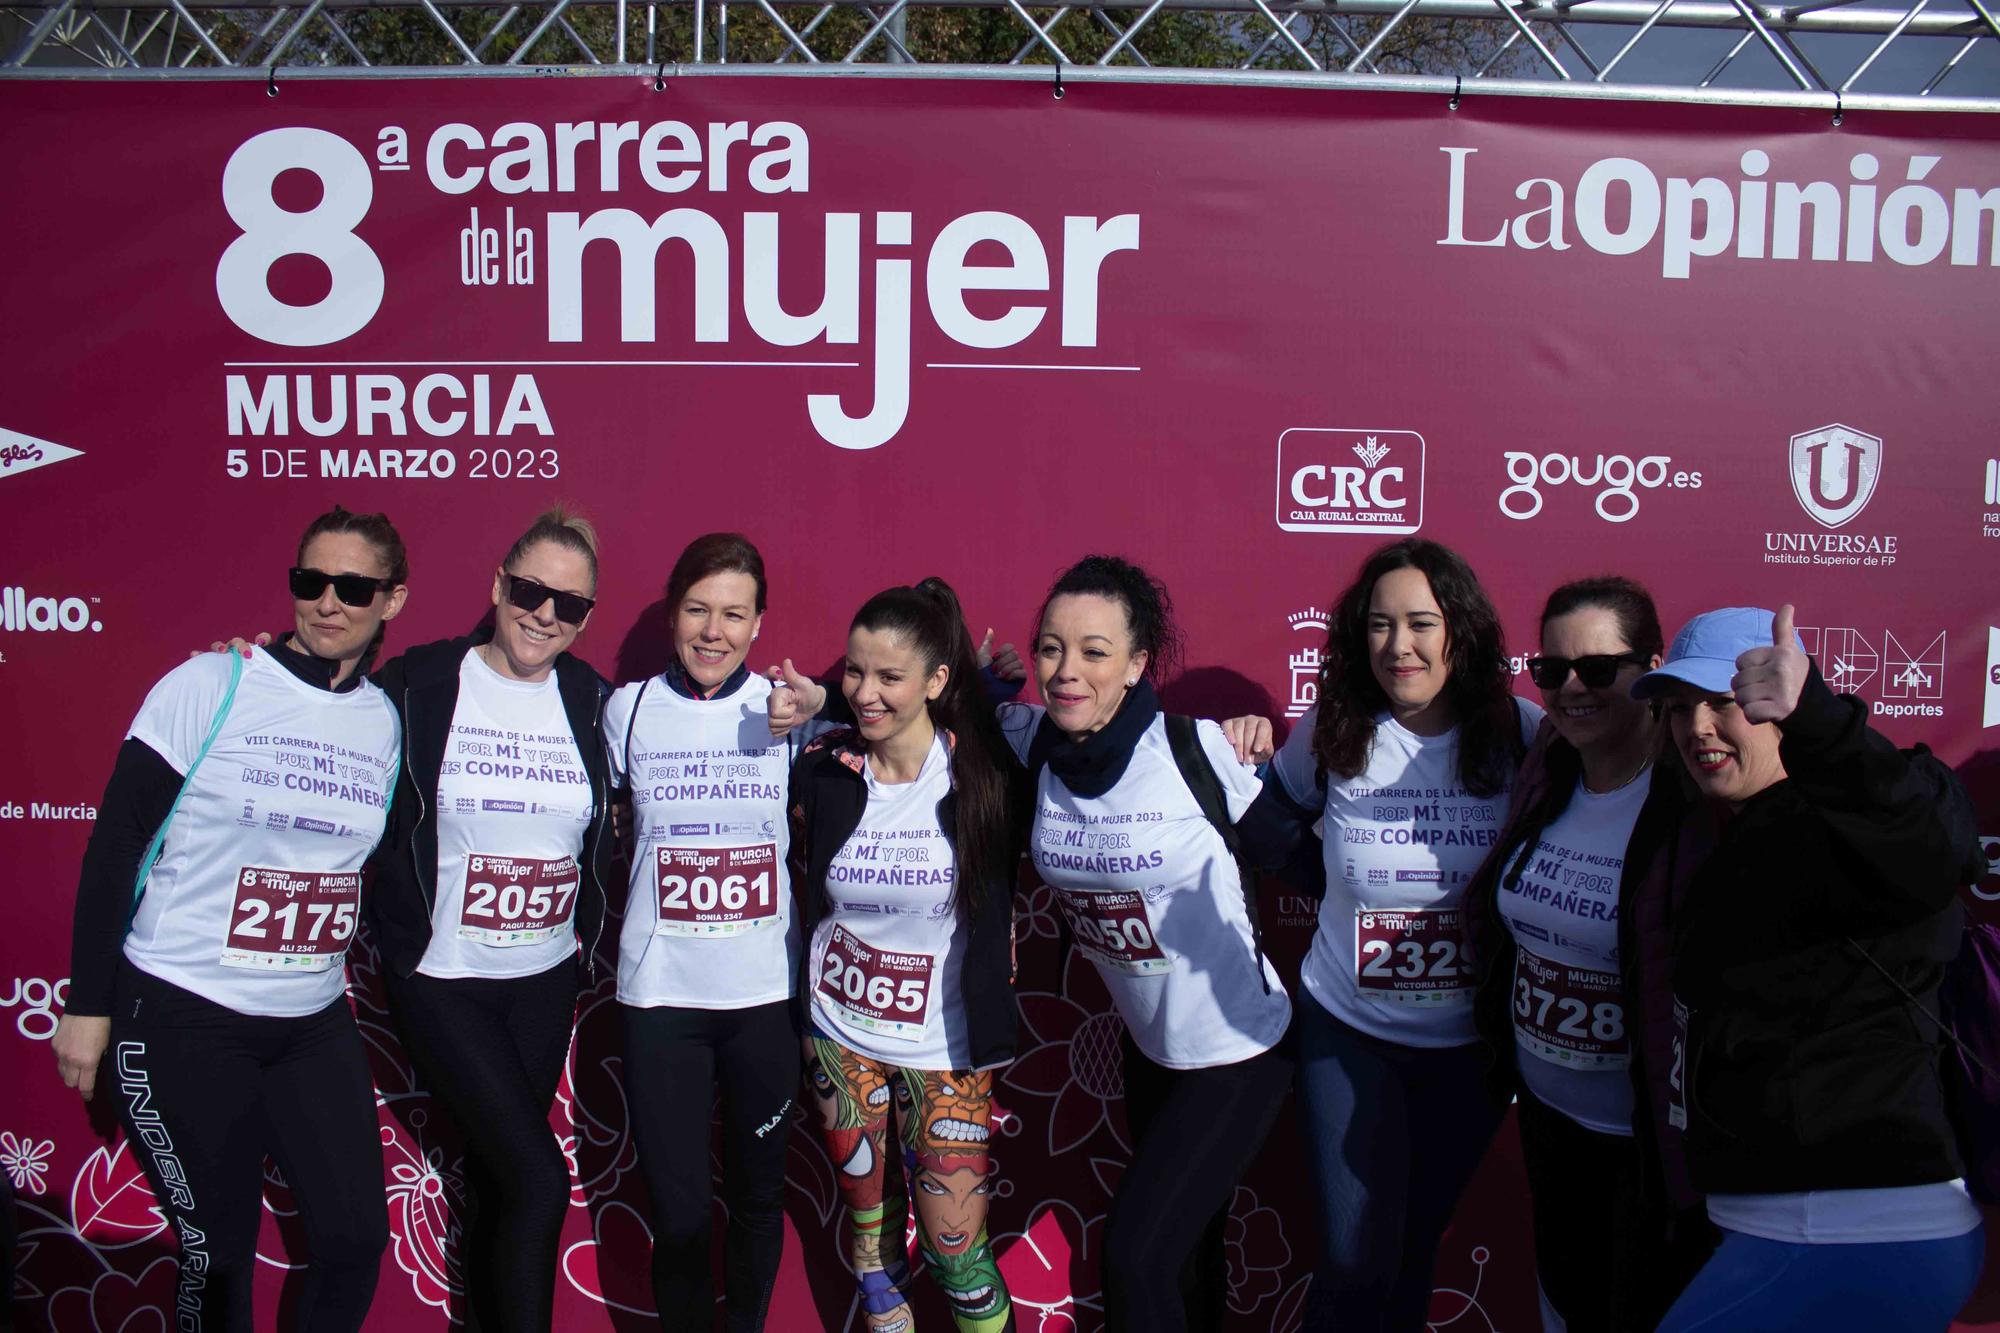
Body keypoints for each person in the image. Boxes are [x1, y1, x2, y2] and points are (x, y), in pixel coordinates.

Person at [51, 505, 407, 1329]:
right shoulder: (212, 683)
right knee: (217, 1256)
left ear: (390, 600)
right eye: (308, 580)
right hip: (183, 1010)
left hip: (310, 1021)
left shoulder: (384, 721)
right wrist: (87, 1002)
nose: (327, 601)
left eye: (353, 586)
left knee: (354, 1240)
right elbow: (115, 847)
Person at [1634, 607, 1985, 1332]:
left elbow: (1926, 846)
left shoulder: (1851, 821)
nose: (1696, 725)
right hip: (1777, 1224)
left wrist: (1820, 721)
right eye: (1679, 707)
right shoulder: (1728, 828)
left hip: (1856, 1229)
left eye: (1724, 700)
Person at [1002, 555, 1298, 1333]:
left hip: (1239, 1053)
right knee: (1190, 1259)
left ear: (1136, 664)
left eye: (1095, 652)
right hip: (1150, 1049)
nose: (1066, 672)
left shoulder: (1195, 752)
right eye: (1050, 648)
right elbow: (901, 701)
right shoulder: (1036, 745)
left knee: (1134, 1258)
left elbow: (1304, 858)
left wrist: (1273, 747)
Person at [1265, 537, 1540, 1333]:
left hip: (1472, 1052)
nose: (1399, 645)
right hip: (1350, 1037)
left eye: (1421, 622)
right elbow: (1273, 820)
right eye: (1379, 625)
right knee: (1355, 1264)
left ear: (1463, 629)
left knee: (1413, 1251)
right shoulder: (1336, 727)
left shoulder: (1523, 733)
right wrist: (1332, 887)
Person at [361, 507, 616, 1332]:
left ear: (586, 618)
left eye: (568, 604)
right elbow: (317, 708)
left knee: (499, 1180)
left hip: (541, 981)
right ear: (499, 585)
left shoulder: (594, 701)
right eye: (532, 591)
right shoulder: (420, 683)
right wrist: (241, 668)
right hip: (444, 979)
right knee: (540, 1180)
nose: (545, 614)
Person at [1465, 576, 1714, 1331]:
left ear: (1654, 670)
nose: (1572, 687)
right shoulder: (1547, 766)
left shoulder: (1696, 792)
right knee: (1568, 1308)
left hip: (1649, 1148)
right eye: (1552, 670)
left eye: (1599, 669)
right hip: (1547, 1120)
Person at [602, 533, 826, 1333]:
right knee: (681, 1211)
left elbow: (894, 719)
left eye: (734, 613)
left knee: (759, 1197)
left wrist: (824, 705)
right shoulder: (623, 709)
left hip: (763, 998)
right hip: (661, 1000)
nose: (713, 630)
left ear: (759, 624)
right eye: (698, 608)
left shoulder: (789, 710)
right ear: (672, 613)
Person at [793, 579, 1021, 1333]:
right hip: (838, 1039)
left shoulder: (986, 773)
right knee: (872, 1245)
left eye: (890, 676)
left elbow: (1091, 745)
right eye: (854, 672)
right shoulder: (823, 770)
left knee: (957, 1251)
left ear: (936, 681)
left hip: (945, 1049)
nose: (865, 692)